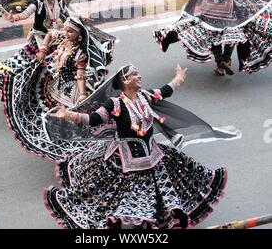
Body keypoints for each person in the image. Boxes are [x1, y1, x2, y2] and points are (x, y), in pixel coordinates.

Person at [43, 63, 238, 229]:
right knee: (119, 197)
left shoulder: (145, 96)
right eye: (135, 74)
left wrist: (178, 78)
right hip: (125, 161)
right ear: (125, 81)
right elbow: (93, 119)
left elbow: (163, 92)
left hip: (152, 155)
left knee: (168, 187)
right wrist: (69, 115)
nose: (140, 76)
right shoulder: (115, 104)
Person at [0, 13, 115, 161]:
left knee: (72, 115)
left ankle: (73, 146)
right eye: (65, 30)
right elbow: (50, 33)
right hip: (56, 83)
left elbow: (80, 76)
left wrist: (82, 94)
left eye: (70, 31)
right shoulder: (64, 39)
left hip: (72, 88)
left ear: (79, 34)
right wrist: (43, 50)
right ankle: (57, 135)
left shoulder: (80, 54)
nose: (66, 33)